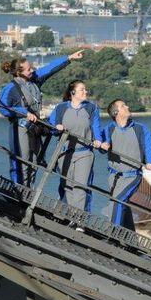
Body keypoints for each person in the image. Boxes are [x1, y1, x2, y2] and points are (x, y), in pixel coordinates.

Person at [0, 50, 84, 186]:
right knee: (21, 161)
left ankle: (29, 192)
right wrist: (23, 112)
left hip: (35, 128)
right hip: (20, 128)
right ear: (19, 72)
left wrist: (69, 58)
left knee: (33, 162)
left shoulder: (34, 80)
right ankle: (18, 190)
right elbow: (3, 108)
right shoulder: (10, 88)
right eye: (28, 69)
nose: (32, 70)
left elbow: (49, 68)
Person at [48, 80, 102, 217]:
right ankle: (70, 216)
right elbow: (52, 127)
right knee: (67, 186)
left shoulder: (91, 108)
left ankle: (79, 220)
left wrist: (98, 140)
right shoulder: (60, 108)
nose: (86, 92)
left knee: (80, 187)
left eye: (85, 89)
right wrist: (57, 127)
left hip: (84, 153)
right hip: (64, 152)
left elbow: (95, 127)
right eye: (82, 89)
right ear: (73, 92)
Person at [100, 99, 151, 230]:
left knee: (117, 201)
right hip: (114, 177)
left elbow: (149, 147)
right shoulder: (109, 129)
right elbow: (103, 147)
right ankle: (130, 240)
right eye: (123, 106)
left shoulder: (140, 128)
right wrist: (103, 146)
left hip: (132, 176)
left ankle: (112, 233)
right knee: (121, 204)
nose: (127, 106)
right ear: (115, 112)